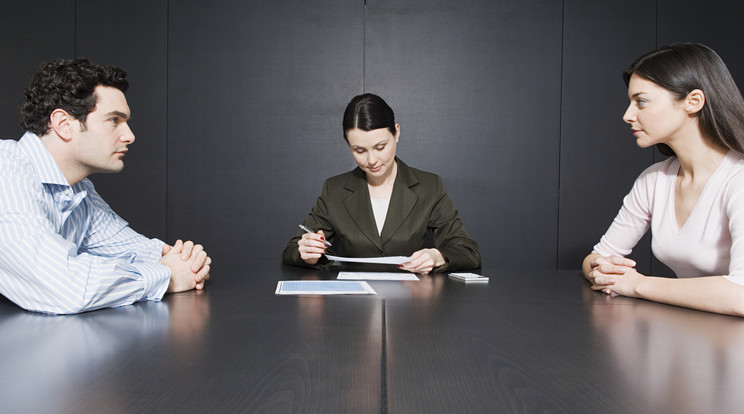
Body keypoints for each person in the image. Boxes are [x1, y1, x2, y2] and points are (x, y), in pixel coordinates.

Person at [0, 58, 211, 314]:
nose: (129, 136)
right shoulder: (7, 173)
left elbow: (130, 248)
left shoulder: (79, 190)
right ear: (64, 124)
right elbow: (65, 287)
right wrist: (166, 275)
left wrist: (186, 262)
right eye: (114, 120)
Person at [582, 42, 744, 316]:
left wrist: (637, 285)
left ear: (693, 101)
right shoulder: (654, 180)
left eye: (641, 101)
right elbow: (597, 257)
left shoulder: (738, 180)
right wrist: (602, 269)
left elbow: (740, 296)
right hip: (692, 334)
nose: (627, 115)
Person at [282, 93, 480, 274]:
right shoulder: (334, 190)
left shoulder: (429, 186)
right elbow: (291, 250)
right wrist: (307, 252)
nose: (371, 160)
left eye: (380, 147)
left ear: (396, 133)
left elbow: (467, 252)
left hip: (414, 304)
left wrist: (438, 256)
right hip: (352, 306)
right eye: (359, 150)